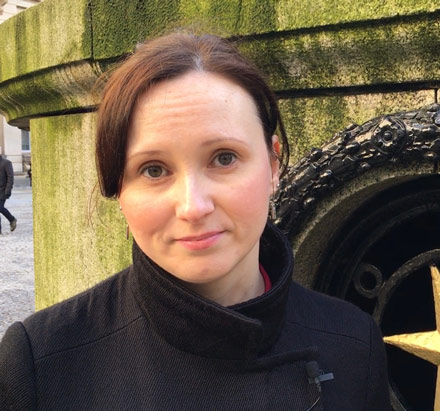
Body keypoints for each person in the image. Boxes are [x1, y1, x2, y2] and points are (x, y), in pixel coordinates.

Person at [0, 32, 390, 410]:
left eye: (224, 158)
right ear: (119, 188)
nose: (193, 206)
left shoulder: (354, 343)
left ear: (273, 164)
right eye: (153, 170)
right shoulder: (40, 363)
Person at [0, 155, 17, 235]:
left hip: (3, 190)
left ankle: (12, 219)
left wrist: (8, 190)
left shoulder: (6, 162)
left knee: (0, 207)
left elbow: (10, 177)